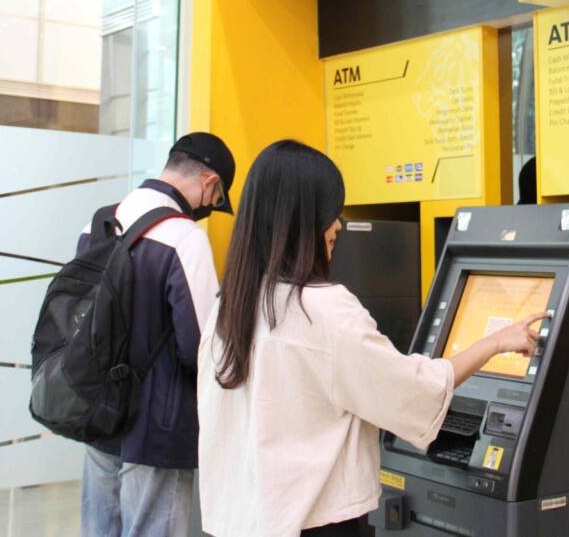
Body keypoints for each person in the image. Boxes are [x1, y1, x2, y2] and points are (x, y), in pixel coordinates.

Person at [197, 140, 544, 537]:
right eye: (331, 213)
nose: (338, 225)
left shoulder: (228, 307)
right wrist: (495, 343)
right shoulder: (323, 310)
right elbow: (412, 391)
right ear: (302, 219)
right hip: (315, 526)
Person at [80, 132, 236, 537]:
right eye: (216, 198)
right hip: (156, 427)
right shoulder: (184, 236)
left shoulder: (98, 223)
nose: (208, 208)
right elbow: (200, 345)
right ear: (209, 182)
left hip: (99, 415)